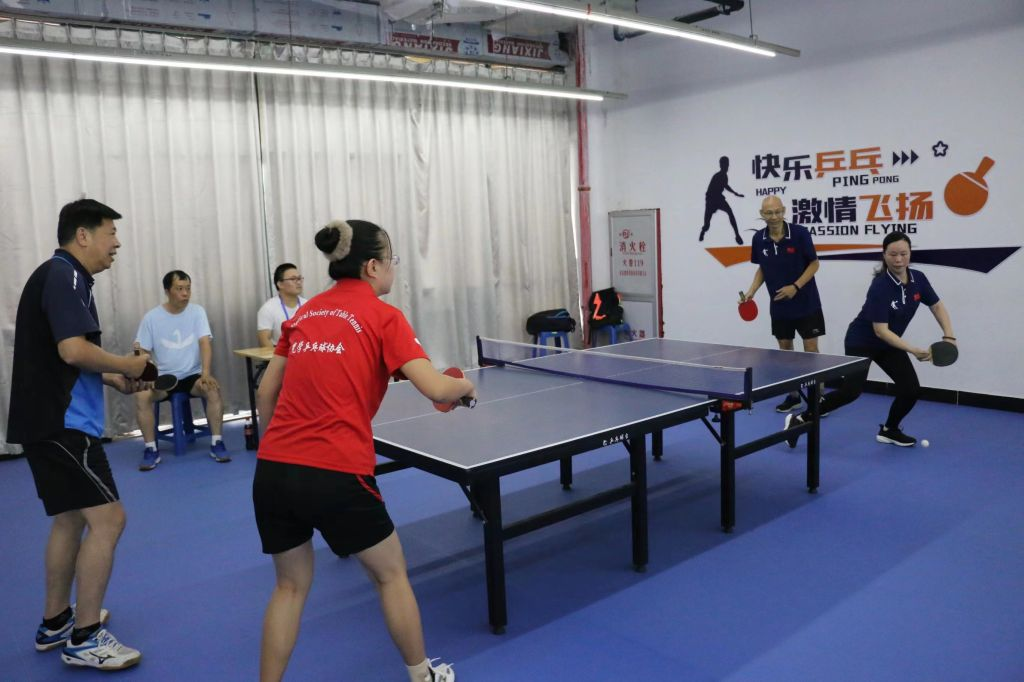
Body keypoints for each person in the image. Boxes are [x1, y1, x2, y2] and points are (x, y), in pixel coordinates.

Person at [253, 219, 473, 682]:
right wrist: (464, 386)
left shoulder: (304, 314)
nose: (394, 268)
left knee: (289, 588)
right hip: (337, 473)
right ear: (372, 266)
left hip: (273, 471)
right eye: (391, 260)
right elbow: (436, 387)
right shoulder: (384, 317)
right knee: (391, 575)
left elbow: (266, 393)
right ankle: (423, 676)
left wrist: (279, 451)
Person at [7, 198, 148, 670]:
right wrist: (129, 364)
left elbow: (63, 357)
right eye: (111, 233)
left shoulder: (65, 278)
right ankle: (85, 637)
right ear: (83, 235)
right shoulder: (64, 276)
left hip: (45, 421)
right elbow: (72, 350)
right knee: (110, 520)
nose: (117, 243)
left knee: (69, 519)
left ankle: (56, 621)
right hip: (65, 425)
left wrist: (113, 378)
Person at [785, 232, 956, 447]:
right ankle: (801, 419)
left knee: (911, 390)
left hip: (889, 344)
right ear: (884, 255)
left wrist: (949, 336)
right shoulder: (880, 286)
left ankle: (889, 430)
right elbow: (881, 331)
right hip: (862, 342)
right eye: (893, 254)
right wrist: (913, 350)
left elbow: (936, 306)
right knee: (850, 392)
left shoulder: (918, 279)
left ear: (910, 253)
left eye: (903, 253)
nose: (898, 259)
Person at [133, 270, 231, 470]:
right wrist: (147, 372)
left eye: (188, 288)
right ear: (167, 291)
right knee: (141, 396)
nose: (185, 293)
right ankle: (151, 449)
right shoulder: (151, 318)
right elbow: (143, 351)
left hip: (192, 376)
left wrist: (205, 373)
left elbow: (204, 343)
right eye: (179, 289)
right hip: (164, 379)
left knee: (213, 390)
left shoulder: (197, 312)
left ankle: (217, 443)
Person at [741, 196, 825, 413]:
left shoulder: (800, 233)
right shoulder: (759, 239)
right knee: (785, 351)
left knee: (811, 350)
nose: (774, 217)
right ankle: (794, 396)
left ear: (784, 211)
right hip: (779, 306)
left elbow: (814, 264)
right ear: (762, 214)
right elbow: (762, 268)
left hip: (807, 303)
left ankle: (817, 397)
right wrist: (751, 291)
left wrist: (795, 287)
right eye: (769, 213)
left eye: (778, 211)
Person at [256, 263, 307, 348]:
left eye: (299, 278)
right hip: (280, 352)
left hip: (304, 350)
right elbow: (264, 340)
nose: (298, 282)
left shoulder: (307, 305)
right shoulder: (268, 308)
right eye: (293, 279)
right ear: (280, 284)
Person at [699, 155, 745, 244]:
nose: (726, 167)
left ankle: (737, 235)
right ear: (721, 165)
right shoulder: (717, 176)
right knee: (707, 226)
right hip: (711, 200)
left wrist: (735, 193)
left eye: (727, 164)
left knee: (730, 212)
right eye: (724, 164)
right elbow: (724, 186)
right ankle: (703, 231)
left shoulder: (725, 176)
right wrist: (735, 193)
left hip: (719, 199)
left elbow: (726, 186)